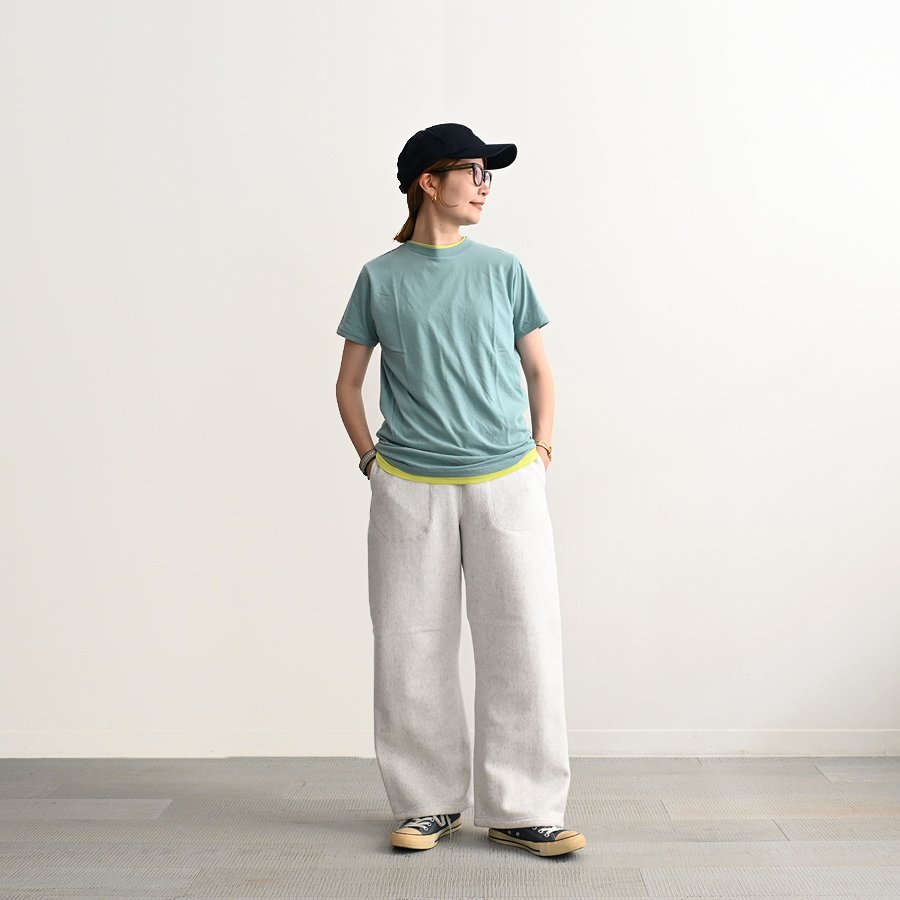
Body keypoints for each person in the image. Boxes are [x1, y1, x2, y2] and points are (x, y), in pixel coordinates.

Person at [335, 123, 584, 858]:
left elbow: (539, 370)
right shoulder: (380, 278)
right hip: (410, 485)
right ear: (428, 181)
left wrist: (541, 450)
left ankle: (524, 809)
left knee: (525, 639)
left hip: (508, 479)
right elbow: (348, 382)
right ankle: (426, 804)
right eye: (473, 171)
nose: (484, 186)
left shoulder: (504, 270)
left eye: (487, 174)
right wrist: (371, 460)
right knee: (411, 645)